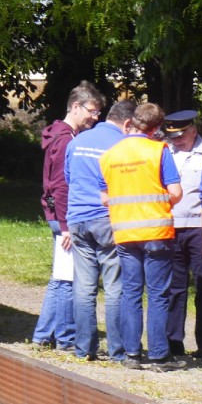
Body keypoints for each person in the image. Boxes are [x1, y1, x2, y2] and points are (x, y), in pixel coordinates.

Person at [100, 103, 183, 371]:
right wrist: (158, 201)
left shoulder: (110, 155)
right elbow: (176, 192)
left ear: (132, 122)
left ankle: (132, 355)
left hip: (125, 232)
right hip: (156, 231)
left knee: (131, 294)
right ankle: (159, 356)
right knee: (158, 294)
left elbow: (104, 198)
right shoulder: (159, 150)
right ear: (156, 127)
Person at [31, 81, 103, 350]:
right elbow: (60, 186)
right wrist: (66, 227)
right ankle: (65, 338)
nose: (95, 118)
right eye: (92, 112)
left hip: (57, 215)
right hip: (63, 217)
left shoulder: (60, 135)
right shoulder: (66, 140)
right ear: (76, 106)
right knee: (66, 279)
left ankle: (42, 335)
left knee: (60, 275)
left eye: (97, 113)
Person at [65, 97, 136, 361]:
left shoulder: (76, 142)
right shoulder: (121, 146)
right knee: (115, 285)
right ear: (127, 123)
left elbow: (69, 179)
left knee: (83, 286)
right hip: (108, 219)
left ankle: (84, 349)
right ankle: (118, 350)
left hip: (78, 219)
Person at [164, 110, 202, 359]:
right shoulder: (165, 152)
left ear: (193, 130)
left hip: (200, 228)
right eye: (173, 135)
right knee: (174, 288)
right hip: (173, 226)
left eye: (180, 135)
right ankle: (173, 343)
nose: (176, 140)